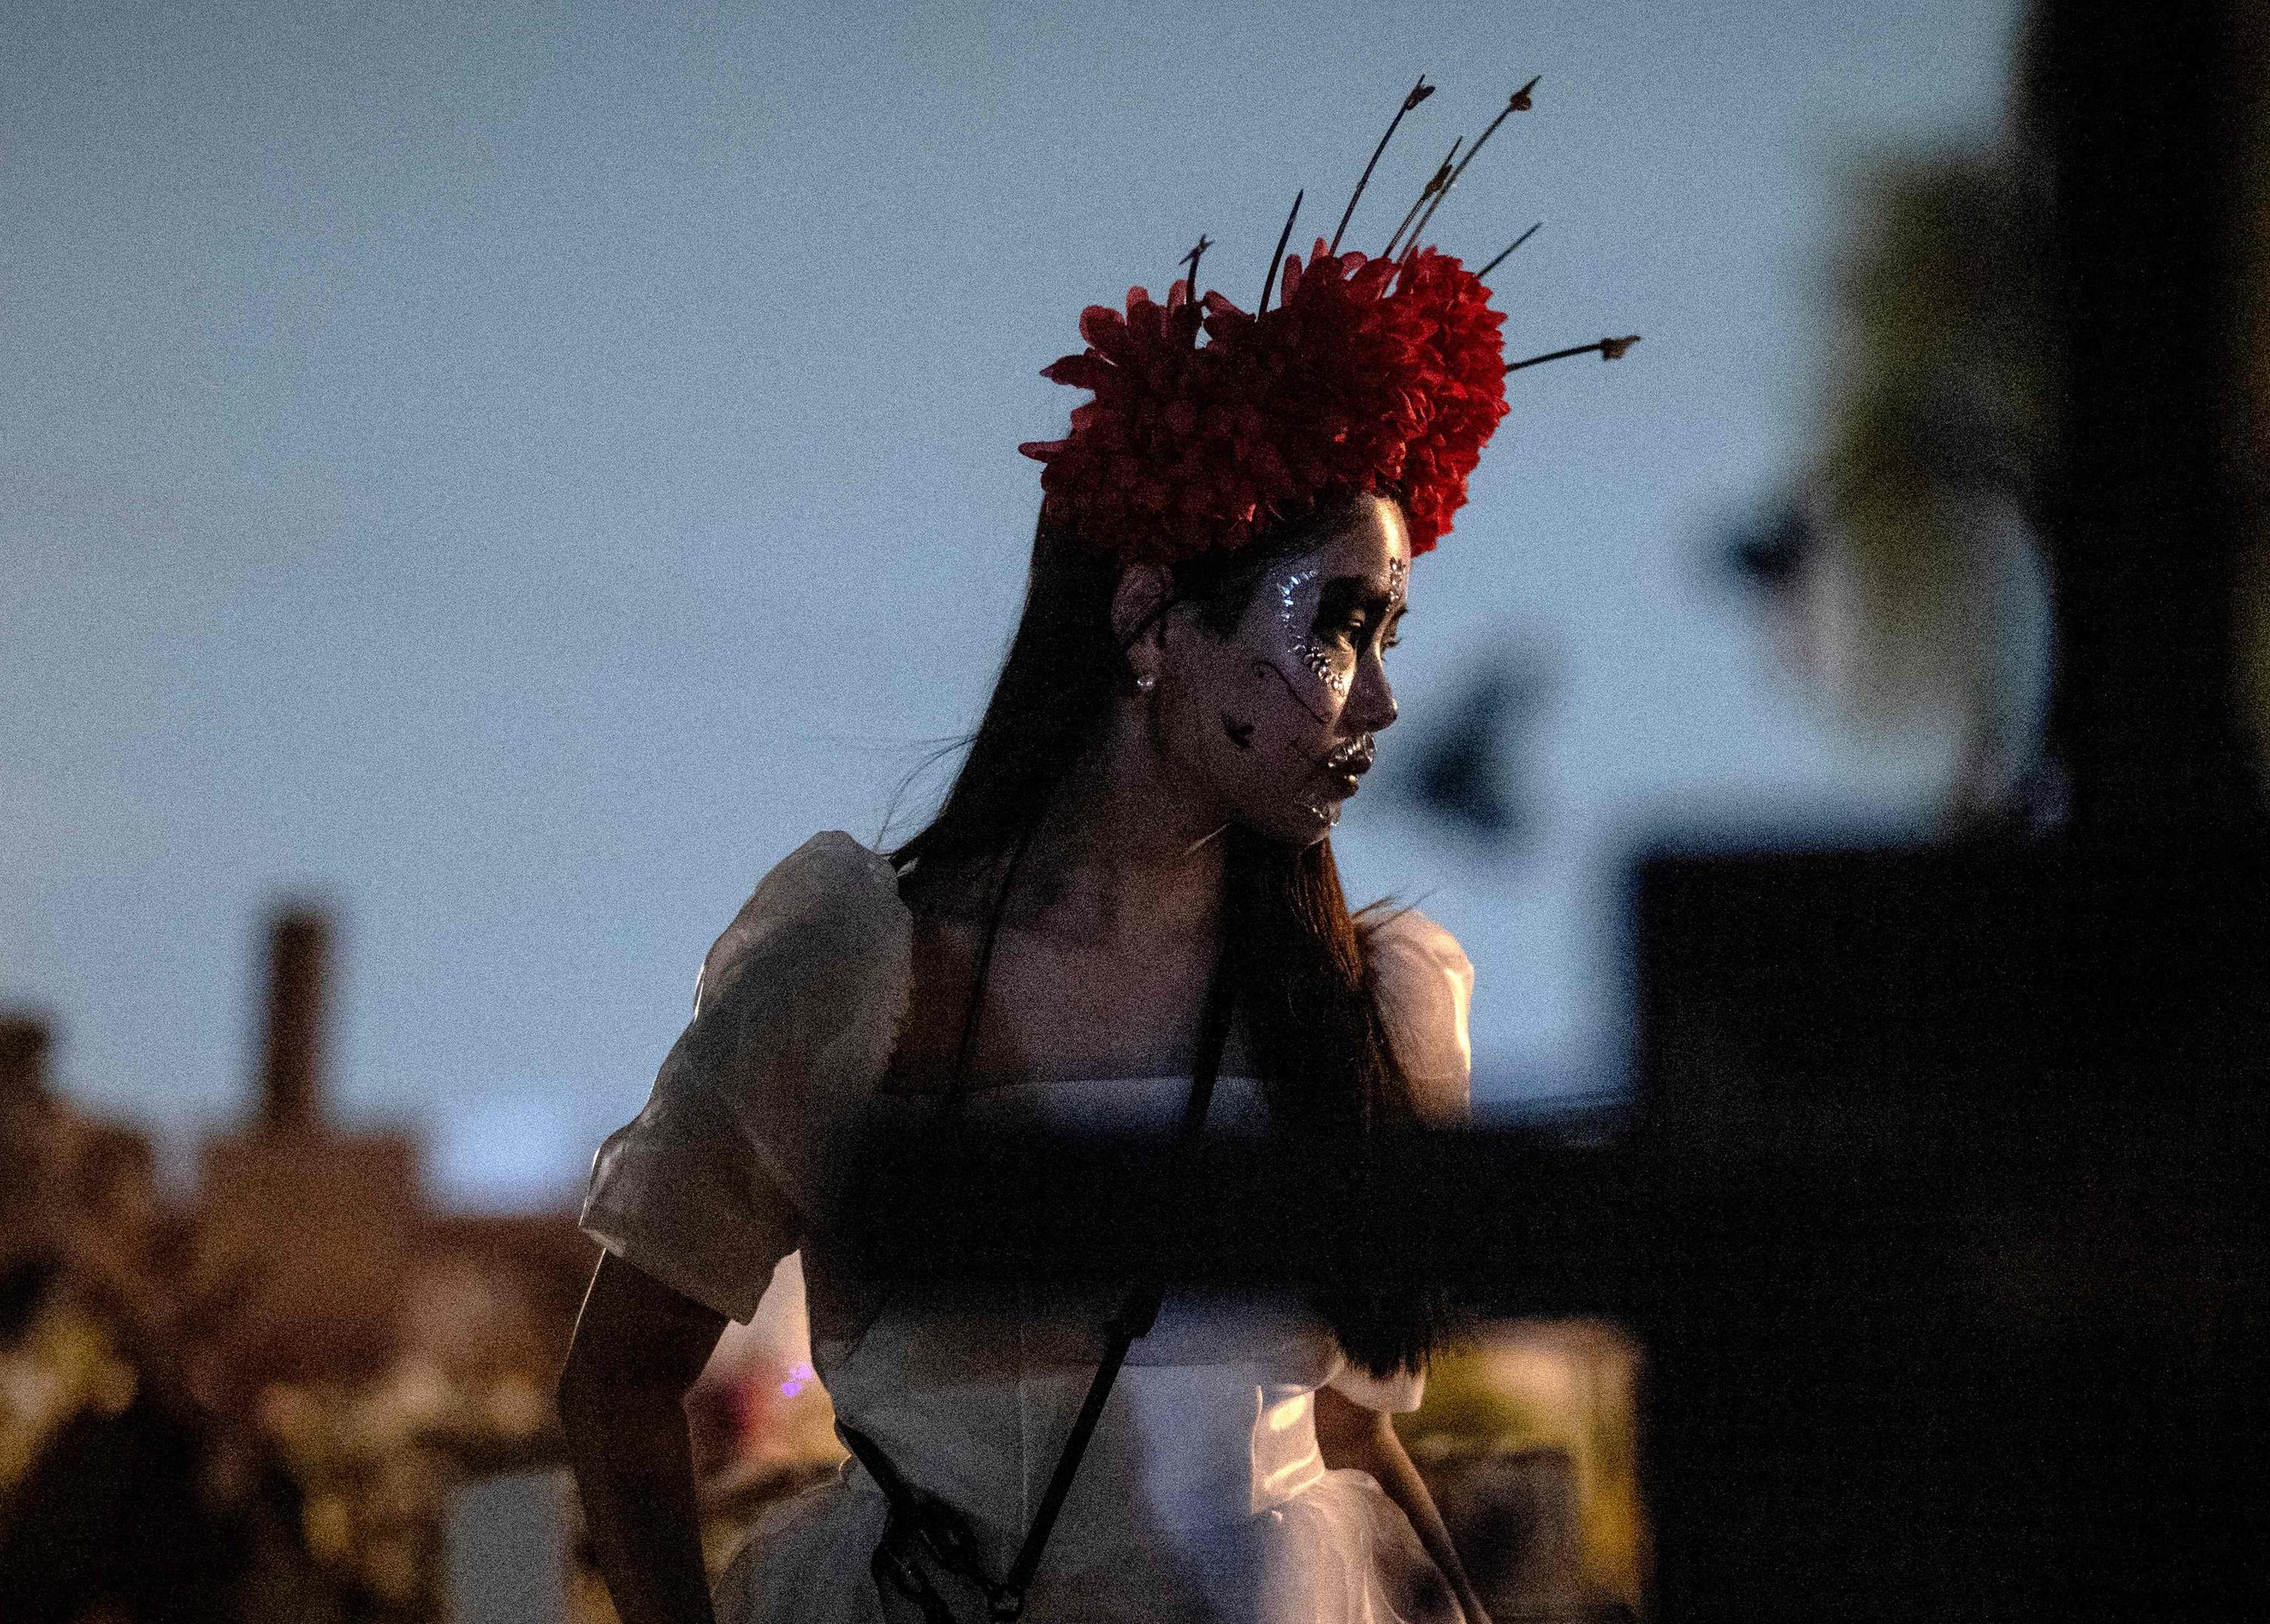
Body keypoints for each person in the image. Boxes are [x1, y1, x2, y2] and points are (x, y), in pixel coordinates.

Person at [558, 81, 1635, 1624]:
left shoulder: (1362, 1001)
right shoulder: (863, 970)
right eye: (1337, 623)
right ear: (1146, 618)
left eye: (1389, 630)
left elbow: (1335, 1438)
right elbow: (614, 1388)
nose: (1384, 696)